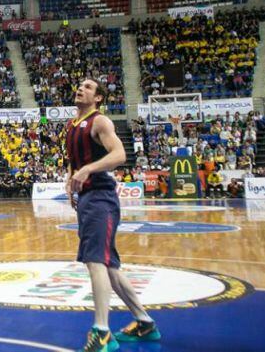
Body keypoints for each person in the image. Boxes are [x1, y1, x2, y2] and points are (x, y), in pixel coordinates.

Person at [66, 79, 161, 352]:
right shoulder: (71, 126)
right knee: (109, 266)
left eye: (87, 87)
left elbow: (119, 154)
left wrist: (87, 171)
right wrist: (70, 180)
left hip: (101, 198)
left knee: (96, 261)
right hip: (86, 198)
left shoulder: (100, 122)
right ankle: (145, 322)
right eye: (79, 85)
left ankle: (102, 331)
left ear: (97, 98)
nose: (80, 88)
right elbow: (74, 163)